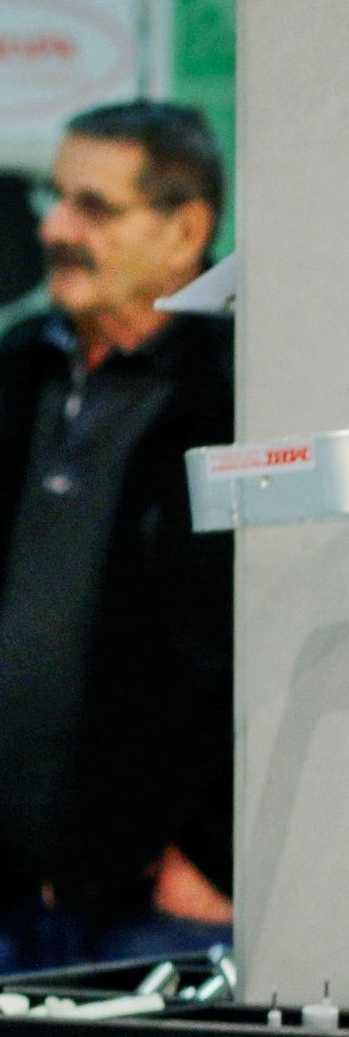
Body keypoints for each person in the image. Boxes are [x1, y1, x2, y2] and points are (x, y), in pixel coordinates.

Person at [0, 100, 232, 969]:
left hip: (162, 908)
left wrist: (218, 855)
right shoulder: (19, 369)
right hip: (12, 895)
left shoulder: (246, 388)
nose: (57, 229)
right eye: (58, 200)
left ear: (186, 230)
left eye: (94, 207)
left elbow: (298, 637)